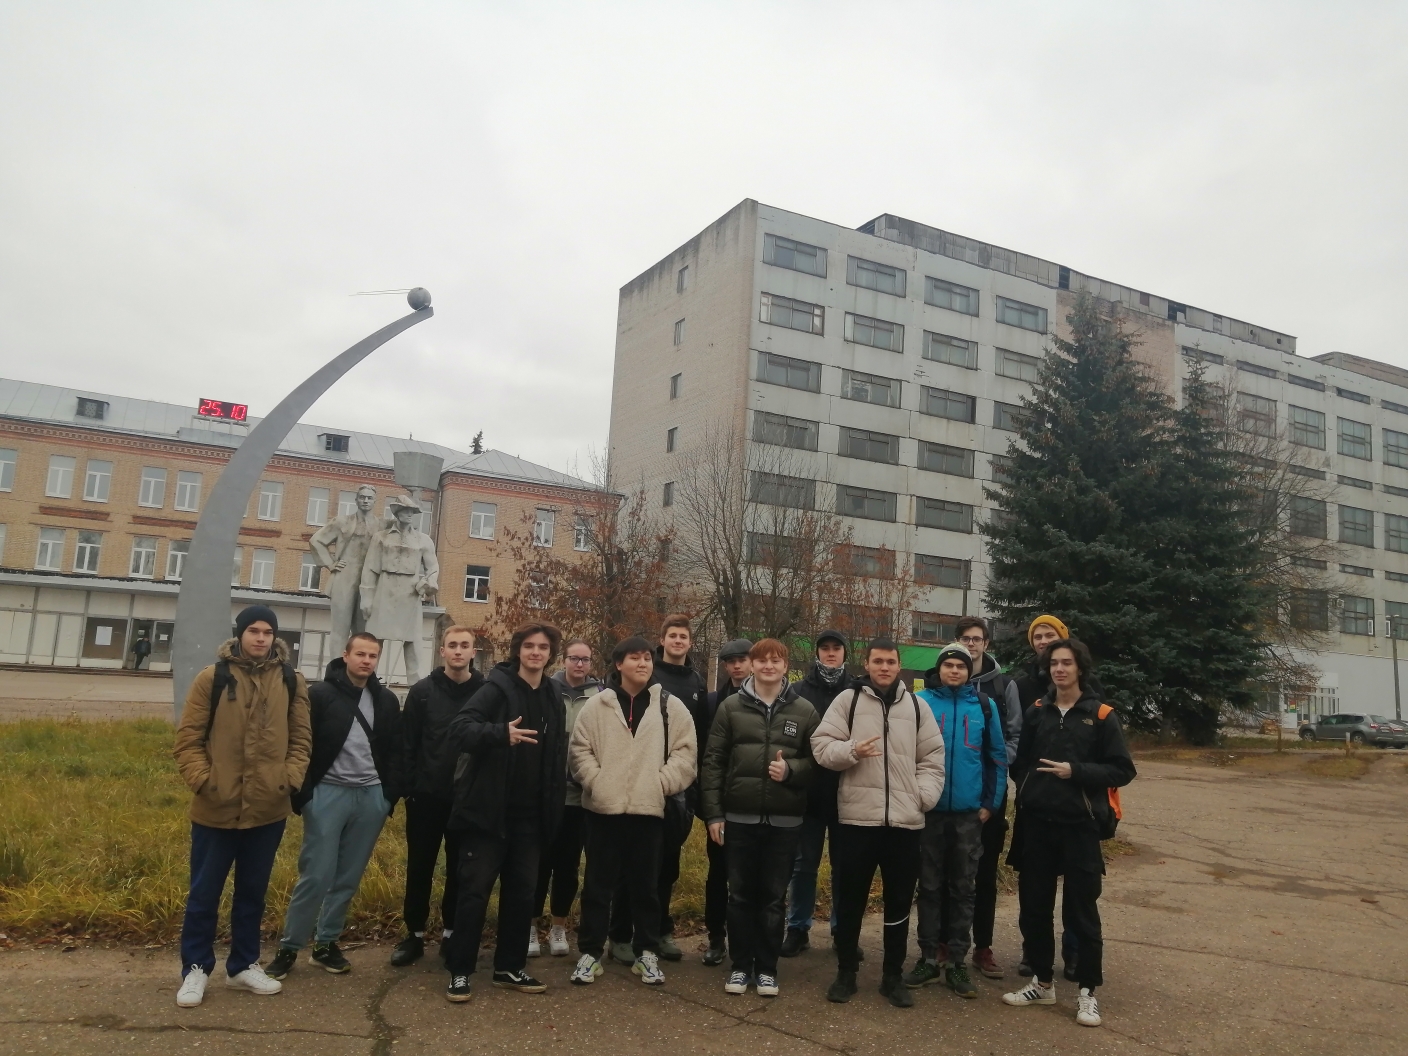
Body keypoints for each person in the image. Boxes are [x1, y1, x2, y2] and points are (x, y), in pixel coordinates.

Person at [172, 605, 311, 1009]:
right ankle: (195, 969)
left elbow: (301, 740)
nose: (261, 638)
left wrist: (288, 779)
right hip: (216, 808)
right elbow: (188, 740)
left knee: (252, 893)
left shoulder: (291, 680)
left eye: (268, 632)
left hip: (268, 808)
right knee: (204, 894)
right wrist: (205, 782)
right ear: (240, 634)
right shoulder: (212, 678)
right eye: (254, 630)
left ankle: (243, 965)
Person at [1003, 638, 1136, 1029]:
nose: (1059, 669)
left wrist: (1075, 772)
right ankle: (1042, 983)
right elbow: (1021, 762)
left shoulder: (1101, 715)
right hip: (1036, 825)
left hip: (1080, 827)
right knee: (1034, 909)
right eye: (1054, 664)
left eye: (1066, 663)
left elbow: (1122, 770)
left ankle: (1087, 992)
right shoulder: (1037, 711)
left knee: (1082, 912)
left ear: (1080, 668)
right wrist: (1030, 788)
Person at [812, 638, 944, 1008]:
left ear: (899, 666)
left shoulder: (916, 706)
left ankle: (892, 976)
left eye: (890, 662)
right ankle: (846, 974)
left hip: (904, 824)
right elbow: (821, 746)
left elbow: (932, 757)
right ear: (867, 664)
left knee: (899, 902)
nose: (884, 667)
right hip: (857, 821)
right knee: (850, 900)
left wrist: (922, 797)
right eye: (877, 661)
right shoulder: (848, 701)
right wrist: (852, 750)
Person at [441, 623, 568, 1002]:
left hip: (530, 818)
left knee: (521, 895)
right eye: (528, 646)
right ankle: (460, 971)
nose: (535, 652)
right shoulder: (496, 687)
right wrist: (500, 734)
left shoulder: (553, 694)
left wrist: (553, 810)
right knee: (474, 894)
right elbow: (460, 730)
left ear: (550, 653)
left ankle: (509, 967)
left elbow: (555, 754)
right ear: (518, 650)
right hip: (487, 814)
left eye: (542, 647)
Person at [267, 633, 404, 980]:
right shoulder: (321, 695)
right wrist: (305, 796)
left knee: (348, 877)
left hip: (370, 797)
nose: (366, 660)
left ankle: (326, 944)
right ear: (346, 655)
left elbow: (395, 750)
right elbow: (300, 743)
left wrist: (387, 796)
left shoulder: (386, 700)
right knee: (316, 874)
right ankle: (289, 947)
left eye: (373, 655)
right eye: (360, 654)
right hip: (327, 795)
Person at [568, 636, 696, 988]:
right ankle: (590, 953)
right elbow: (579, 751)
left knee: (646, 888)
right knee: (597, 887)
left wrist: (660, 783)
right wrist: (598, 782)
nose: (643, 664)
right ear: (618, 664)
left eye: (647, 658)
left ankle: (647, 953)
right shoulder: (597, 705)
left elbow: (686, 754)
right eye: (635, 658)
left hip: (648, 811)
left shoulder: (669, 706)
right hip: (602, 812)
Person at [702, 638, 819, 998]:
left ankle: (767, 969)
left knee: (773, 898)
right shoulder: (730, 708)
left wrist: (792, 771)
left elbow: (818, 763)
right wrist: (714, 814)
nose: (769, 666)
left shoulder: (805, 711)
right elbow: (713, 762)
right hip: (739, 819)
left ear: (786, 666)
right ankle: (740, 966)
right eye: (762, 660)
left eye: (776, 660)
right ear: (752, 665)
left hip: (785, 822)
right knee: (739, 896)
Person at [904, 643, 1006, 998]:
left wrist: (990, 804)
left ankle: (958, 962)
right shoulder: (920, 703)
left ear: (968, 672)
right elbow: (905, 754)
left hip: (968, 815)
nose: (954, 671)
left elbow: (997, 758)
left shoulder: (984, 706)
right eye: (948, 665)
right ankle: (928, 957)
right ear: (939, 669)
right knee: (929, 887)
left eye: (960, 666)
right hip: (929, 813)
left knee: (963, 889)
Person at [608, 615, 706, 963]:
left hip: (675, 788)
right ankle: (620, 934)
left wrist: (685, 783)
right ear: (661, 640)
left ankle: (660, 931)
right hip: (636, 785)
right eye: (672, 636)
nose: (678, 641)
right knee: (629, 865)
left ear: (689, 642)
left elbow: (696, 739)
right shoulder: (647, 675)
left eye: (683, 636)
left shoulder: (696, 681)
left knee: (667, 866)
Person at [390, 626, 485, 967]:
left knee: (460, 870)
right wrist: (410, 789)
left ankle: (451, 934)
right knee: (420, 867)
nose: (458, 651)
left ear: (473, 652)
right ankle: (413, 935)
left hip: (467, 799)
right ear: (442, 651)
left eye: (465, 645)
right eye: (452, 645)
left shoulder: (485, 693)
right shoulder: (422, 692)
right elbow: (407, 744)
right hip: (426, 798)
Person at [946, 616, 1022, 981]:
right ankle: (944, 943)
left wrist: (993, 762)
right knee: (947, 871)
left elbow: (1015, 735)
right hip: (950, 796)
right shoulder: (942, 681)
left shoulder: (1003, 685)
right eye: (965, 638)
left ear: (986, 644)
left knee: (985, 874)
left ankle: (983, 947)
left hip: (990, 793)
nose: (971, 644)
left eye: (977, 639)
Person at [783, 629, 855, 958]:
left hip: (847, 794)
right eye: (824, 648)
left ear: (844, 653)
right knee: (803, 867)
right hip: (808, 795)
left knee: (845, 868)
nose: (830, 653)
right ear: (817, 653)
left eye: (836, 648)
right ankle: (798, 929)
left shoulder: (857, 691)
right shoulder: (798, 691)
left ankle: (843, 931)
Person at [530, 638, 603, 958]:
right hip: (546, 794)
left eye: (585, 660)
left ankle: (559, 926)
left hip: (579, 796)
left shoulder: (600, 695)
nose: (579, 664)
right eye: (574, 658)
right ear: (563, 660)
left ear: (591, 663)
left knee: (568, 866)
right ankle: (531, 926)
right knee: (538, 864)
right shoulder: (546, 689)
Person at [698, 637, 753, 966]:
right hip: (721, 801)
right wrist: (710, 807)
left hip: (753, 801)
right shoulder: (712, 702)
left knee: (749, 877)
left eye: (741, 659)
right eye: (730, 661)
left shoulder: (765, 700)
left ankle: (746, 940)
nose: (736, 666)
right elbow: (708, 756)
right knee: (718, 874)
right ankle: (716, 938)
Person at [360, 493, 439, 685]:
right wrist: (367, 597)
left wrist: (430, 582)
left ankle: (417, 686)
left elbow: (433, 568)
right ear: (397, 512)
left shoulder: (423, 540)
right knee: (374, 641)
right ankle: (366, 682)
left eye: (413, 511)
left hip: (410, 594)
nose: (410, 514)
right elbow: (370, 568)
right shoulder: (381, 538)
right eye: (406, 510)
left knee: (413, 642)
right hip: (384, 591)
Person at [309, 484, 384, 652]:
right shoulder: (342, 522)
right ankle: (337, 667)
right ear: (356, 500)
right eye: (362, 497)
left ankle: (361, 666)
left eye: (369, 498)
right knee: (340, 629)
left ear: (375, 501)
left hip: (369, 581)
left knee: (364, 631)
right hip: (345, 576)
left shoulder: (381, 525)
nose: (365, 501)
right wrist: (330, 563)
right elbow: (316, 541)